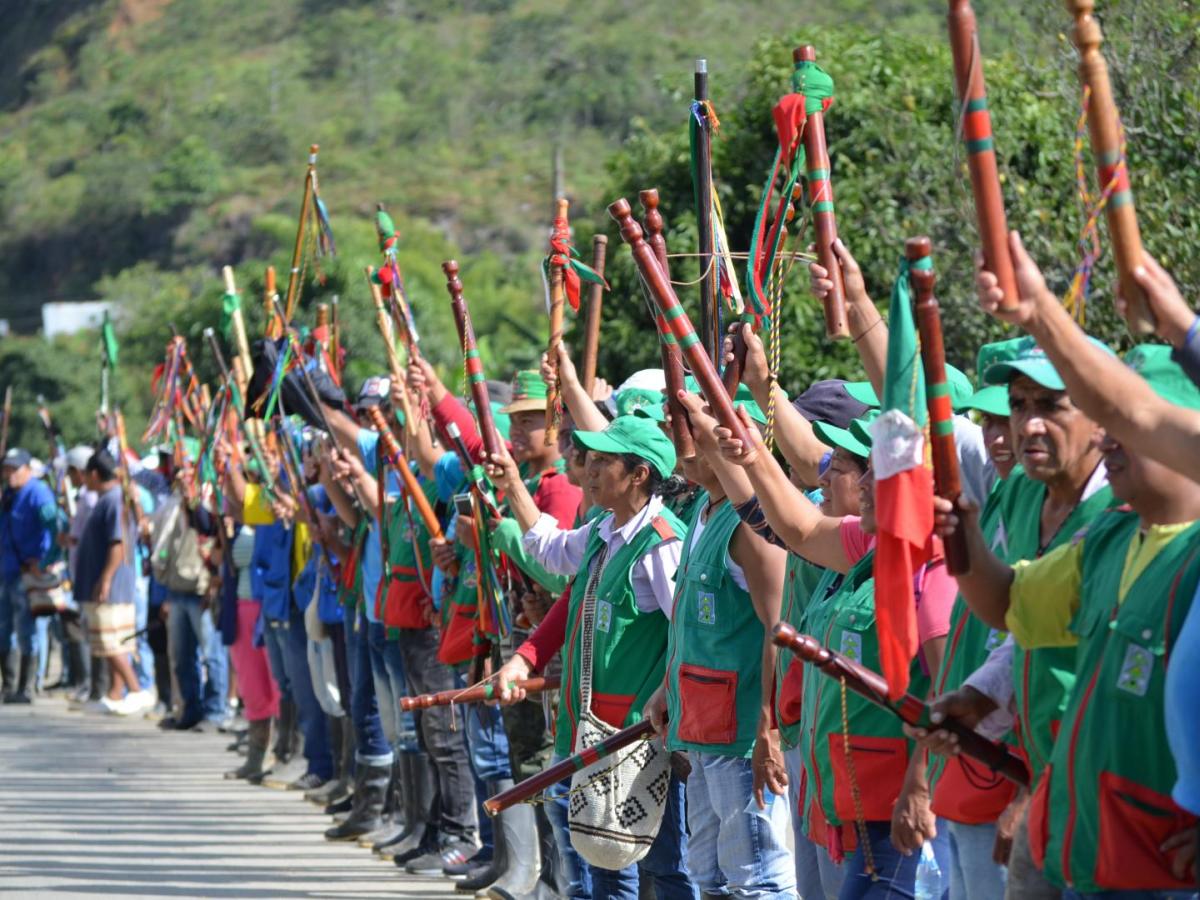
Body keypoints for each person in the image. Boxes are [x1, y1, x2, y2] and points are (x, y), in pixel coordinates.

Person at [929, 344, 1200, 898]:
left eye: (1125, 417)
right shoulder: (1108, 540)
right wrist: (965, 537)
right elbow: (1007, 603)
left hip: (1162, 869)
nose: (1108, 437)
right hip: (1088, 848)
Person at [702, 391, 955, 900]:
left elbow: (948, 691)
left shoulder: (933, 564)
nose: (858, 485)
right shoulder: (870, 547)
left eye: (870, 474)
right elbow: (796, 527)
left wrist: (921, 784)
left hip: (896, 806)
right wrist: (748, 452)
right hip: (847, 800)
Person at [489, 414, 694, 900]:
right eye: (590, 459)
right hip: (589, 731)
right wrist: (514, 485)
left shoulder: (662, 542)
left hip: (639, 740)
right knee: (598, 866)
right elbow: (551, 550)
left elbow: (687, 638)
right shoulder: (605, 528)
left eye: (604, 461)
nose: (588, 470)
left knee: (662, 866)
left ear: (639, 474)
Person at [642, 391, 795, 900]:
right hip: (704, 728)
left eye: (691, 429)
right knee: (708, 876)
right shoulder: (703, 513)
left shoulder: (750, 526)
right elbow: (691, 624)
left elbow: (779, 628)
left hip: (741, 737)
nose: (680, 444)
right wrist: (667, 687)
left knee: (758, 879)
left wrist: (768, 728)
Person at [72, 449, 150, 713]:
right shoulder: (110, 498)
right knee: (116, 639)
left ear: (94, 474)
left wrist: (105, 579)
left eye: (85, 475)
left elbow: (117, 544)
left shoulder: (114, 500)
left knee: (110, 641)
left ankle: (136, 690)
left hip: (112, 584)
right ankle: (116, 694)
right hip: (109, 582)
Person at [0, 447, 59, 703]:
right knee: (4, 630)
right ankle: (9, 685)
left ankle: (27, 687)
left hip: (26, 573)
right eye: (7, 468)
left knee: (26, 630)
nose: (9, 473)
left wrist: (46, 560)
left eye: (14, 468)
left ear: (27, 469)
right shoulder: (8, 495)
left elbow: (57, 526)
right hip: (5, 570)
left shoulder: (39, 492)